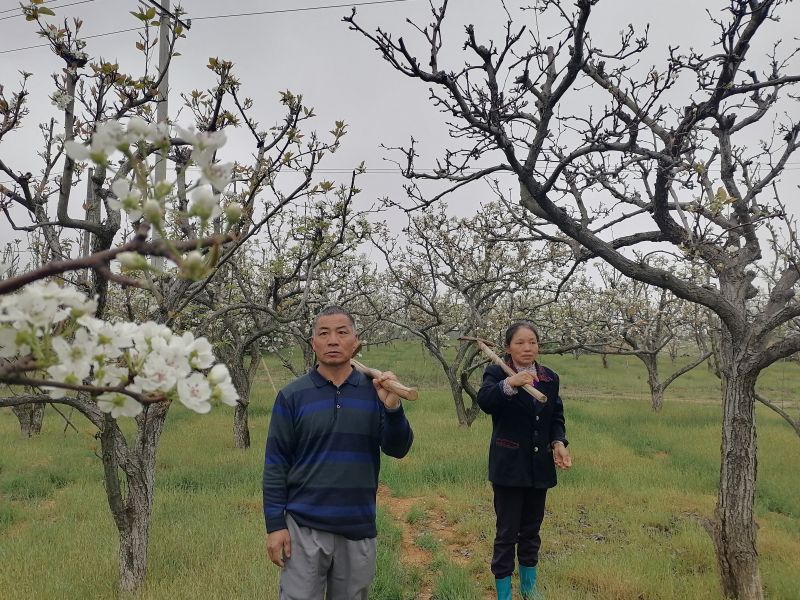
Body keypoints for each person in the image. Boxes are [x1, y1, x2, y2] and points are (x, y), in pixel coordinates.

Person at [263, 305, 414, 600]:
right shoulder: (292, 396)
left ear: (355, 342)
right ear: (313, 343)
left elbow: (398, 449)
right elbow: (275, 464)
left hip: (357, 525)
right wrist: (275, 525)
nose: (333, 340)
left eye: (342, 333)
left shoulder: (375, 392)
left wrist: (393, 407)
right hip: (303, 525)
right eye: (324, 333)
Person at [476, 321, 572, 600]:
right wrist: (509, 384)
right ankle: (504, 593)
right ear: (508, 347)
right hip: (509, 466)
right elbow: (485, 401)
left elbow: (555, 416)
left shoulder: (549, 378)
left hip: (538, 467)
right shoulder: (496, 372)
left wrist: (559, 443)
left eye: (532, 342)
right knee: (507, 532)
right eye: (519, 342)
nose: (527, 348)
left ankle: (529, 588)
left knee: (531, 530)